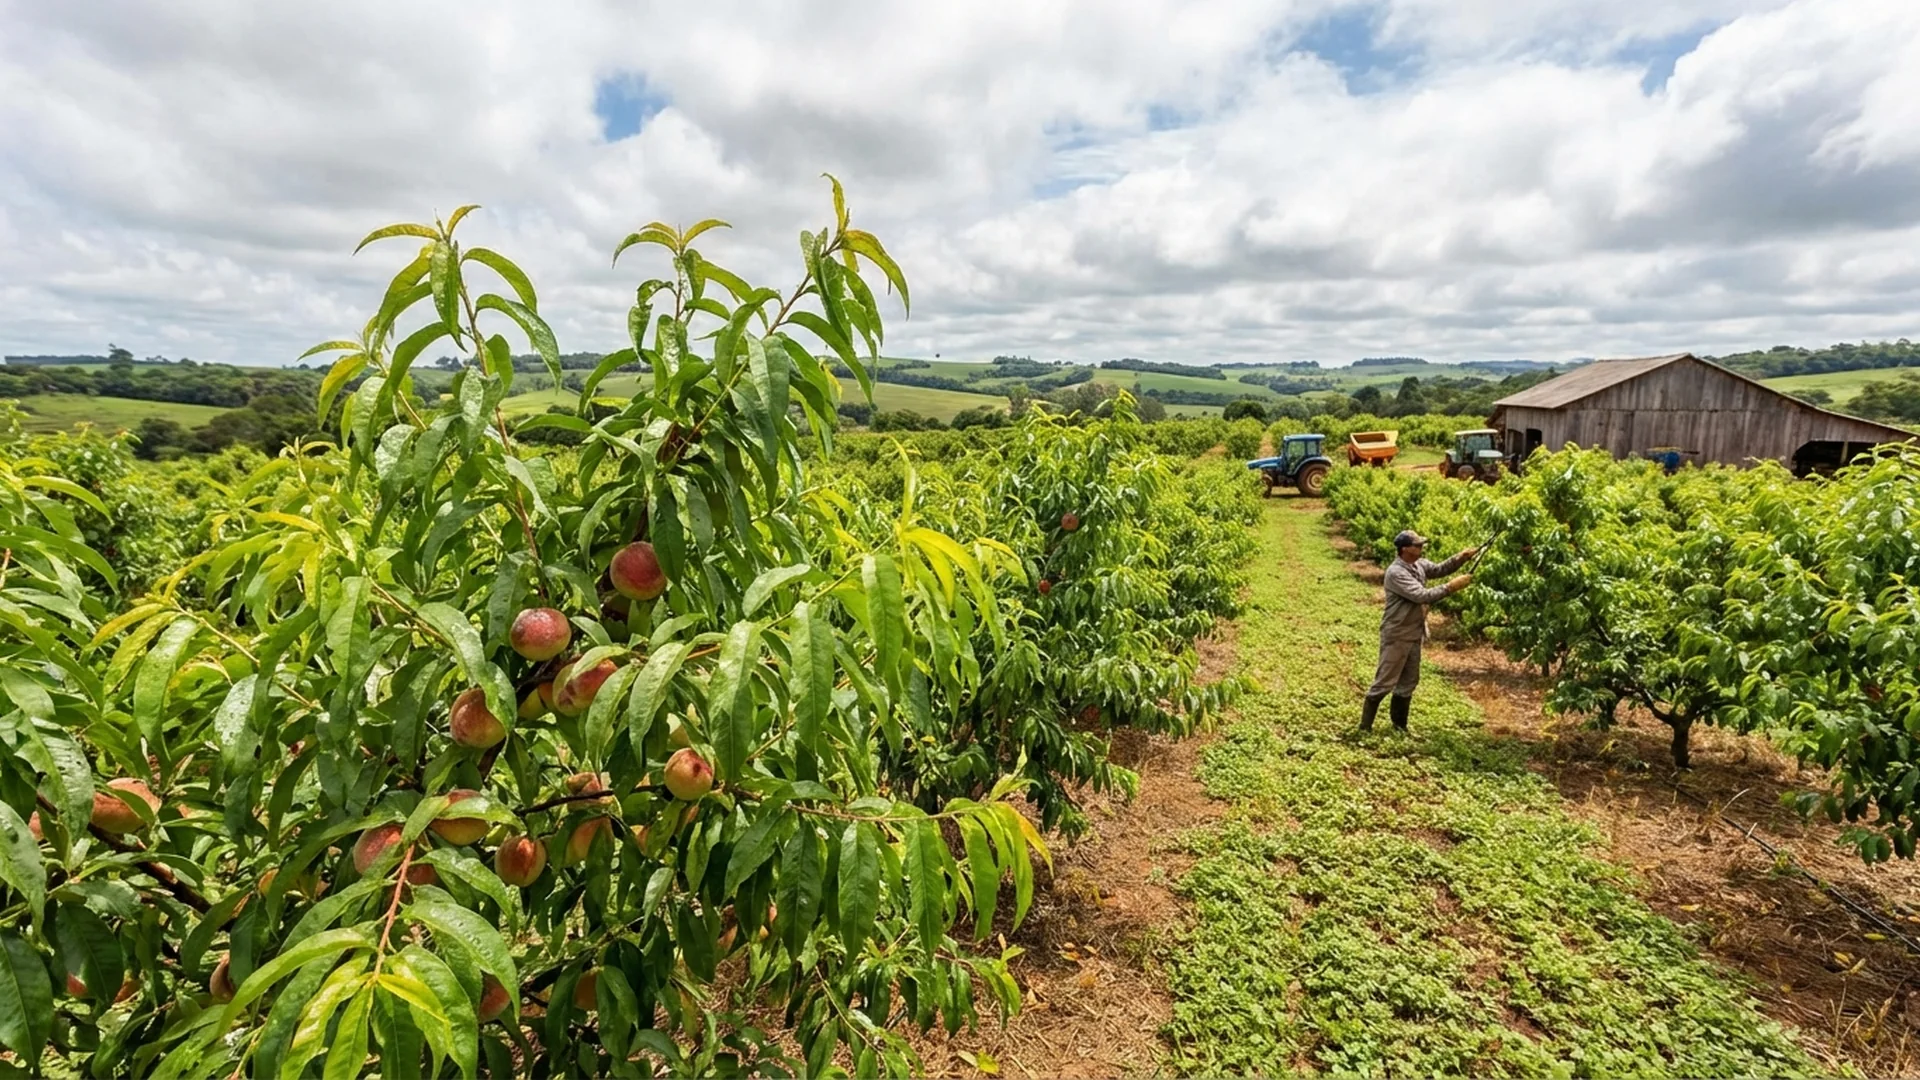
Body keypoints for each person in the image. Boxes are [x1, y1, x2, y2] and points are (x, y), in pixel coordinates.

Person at [1361, 529, 1477, 732]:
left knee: (1408, 681)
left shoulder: (1419, 564)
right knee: (1385, 681)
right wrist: (1452, 587)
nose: (1421, 547)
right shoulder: (1396, 572)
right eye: (1417, 545)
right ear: (1405, 549)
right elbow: (1421, 595)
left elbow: (1440, 569)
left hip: (1414, 632)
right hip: (1397, 633)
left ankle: (1400, 727)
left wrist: (1461, 558)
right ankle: (1364, 728)